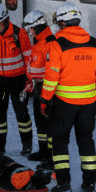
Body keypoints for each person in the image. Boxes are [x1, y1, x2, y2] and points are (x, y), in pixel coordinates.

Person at [42, 3, 96, 192]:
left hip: (64, 103)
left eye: (59, 23)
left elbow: (51, 78)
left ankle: (64, 184)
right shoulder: (95, 43)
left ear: (63, 22)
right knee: (86, 141)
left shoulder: (57, 44)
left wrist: (44, 100)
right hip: (88, 103)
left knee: (60, 142)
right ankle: (90, 184)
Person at [0, 3, 34, 155]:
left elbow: (29, 59)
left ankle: (27, 146)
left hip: (18, 81)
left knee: (22, 114)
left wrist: (30, 80)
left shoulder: (20, 34)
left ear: (6, 20)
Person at [21, 10, 55, 163]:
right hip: (38, 88)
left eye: (31, 29)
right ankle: (43, 151)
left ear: (38, 27)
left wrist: (46, 96)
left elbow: (51, 71)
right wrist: (30, 82)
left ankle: (50, 156)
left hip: (47, 89)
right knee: (40, 123)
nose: (30, 33)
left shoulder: (49, 43)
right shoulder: (39, 42)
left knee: (48, 124)